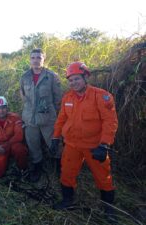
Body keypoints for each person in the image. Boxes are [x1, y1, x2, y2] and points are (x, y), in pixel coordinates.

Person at [50, 62, 118, 219]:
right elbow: (61, 120)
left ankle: (109, 209)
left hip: (95, 146)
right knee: (66, 173)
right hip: (72, 145)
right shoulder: (67, 97)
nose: (73, 83)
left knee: (103, 177)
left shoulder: (101, 96)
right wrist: (55, 137)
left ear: (85, 77)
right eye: (71, 80)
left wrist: (104, 144)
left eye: (76, 79)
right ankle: (68, 200)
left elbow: (110, 121)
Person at [20, 48, 62, 182]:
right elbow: (23, 96)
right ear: (30, 60)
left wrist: (51, 113)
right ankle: (37, 167)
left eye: (39, 57)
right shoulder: (24, 76)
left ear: (43, 59)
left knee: (54, 144)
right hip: (29, 118)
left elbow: (58, 98)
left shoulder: (51, 76)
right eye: (33, 58)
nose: (36, 60)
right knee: (33, 145)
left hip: (48, 118)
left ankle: (59, 167)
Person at [0, 96, 28, 178]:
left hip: (12, 144)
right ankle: (5, 164)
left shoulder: (15, 118)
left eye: (3, 107)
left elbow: (19, 136)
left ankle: (23, 170)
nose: (1, 111)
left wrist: (6, 145)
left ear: (7, 107)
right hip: (0, 148)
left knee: (20, 149)